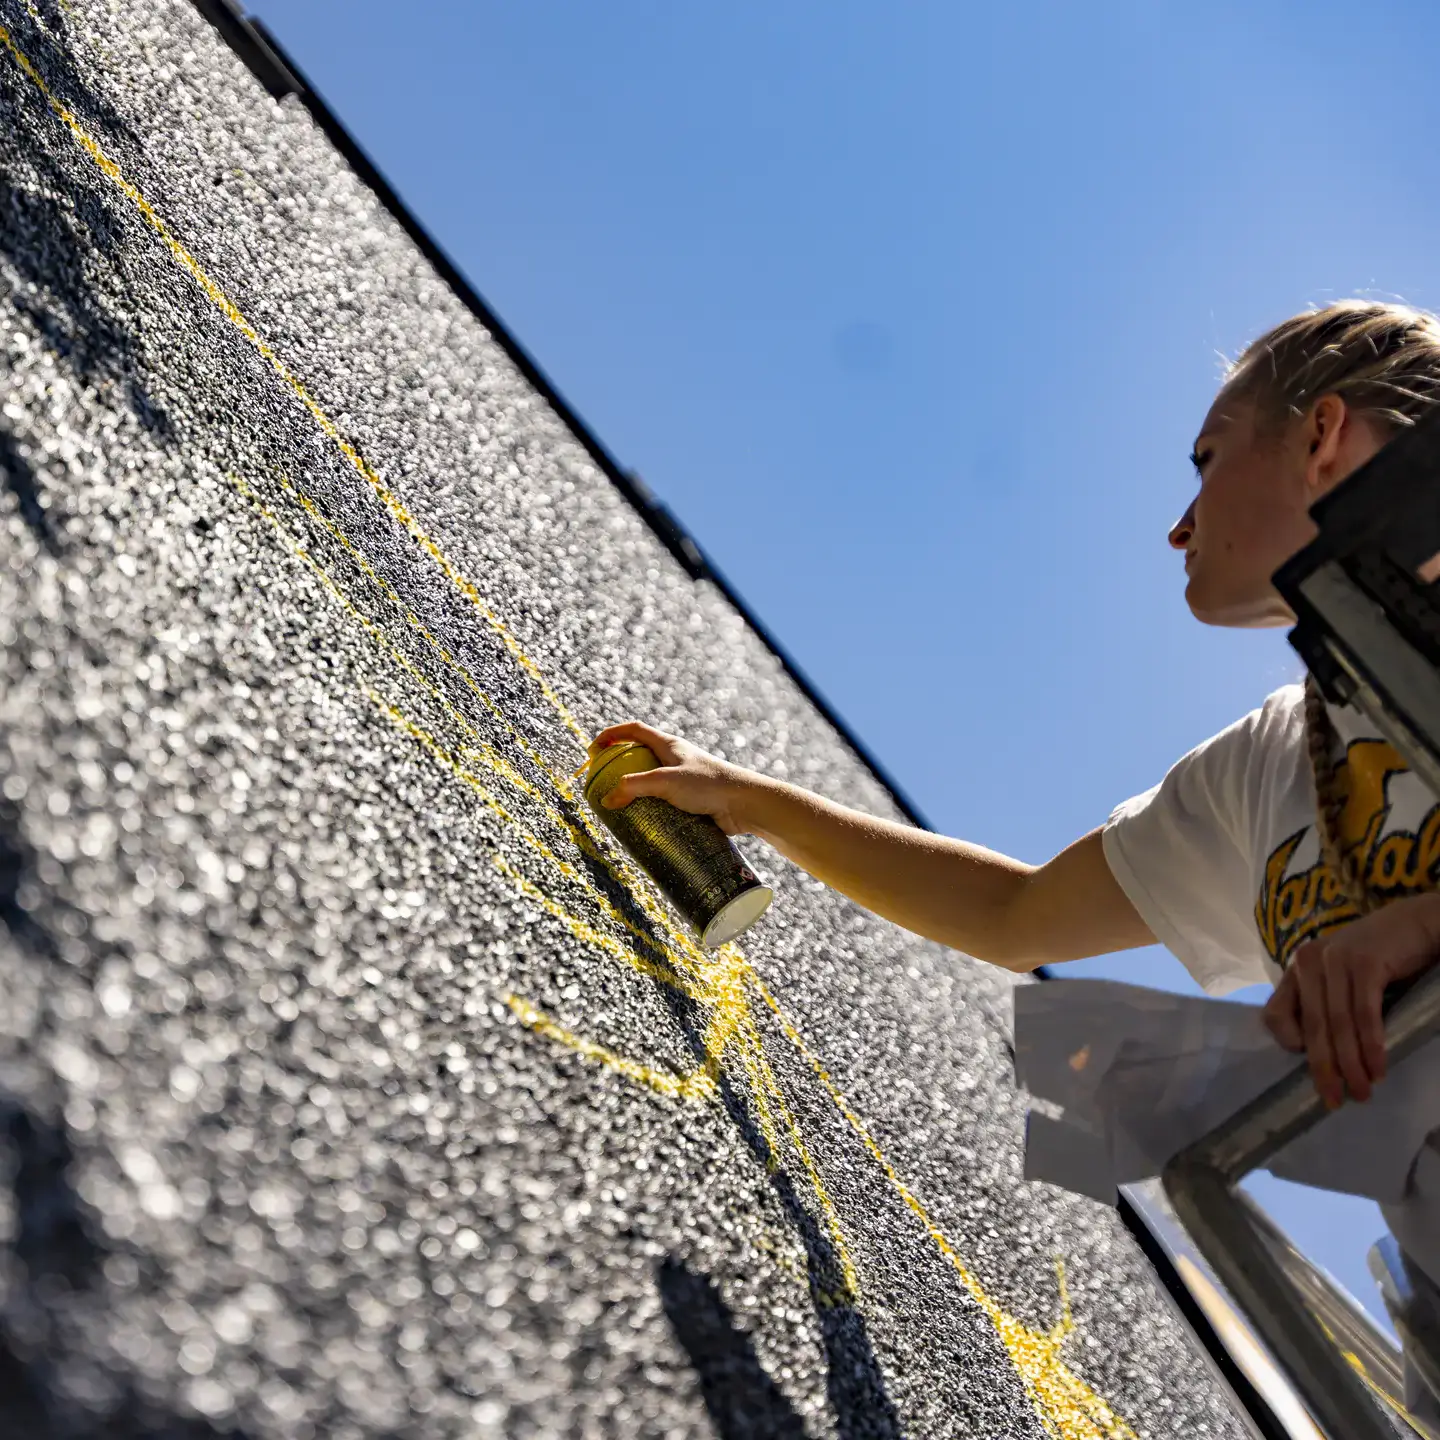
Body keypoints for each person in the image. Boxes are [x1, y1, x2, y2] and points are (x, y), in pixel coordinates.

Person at [594, 299, 1440, 1117]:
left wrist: (1418, 927)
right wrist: (755, 803)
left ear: (1321, 438)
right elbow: (1015, 917)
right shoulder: (1269, 767)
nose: (1179, 530)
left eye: (1208, 461)